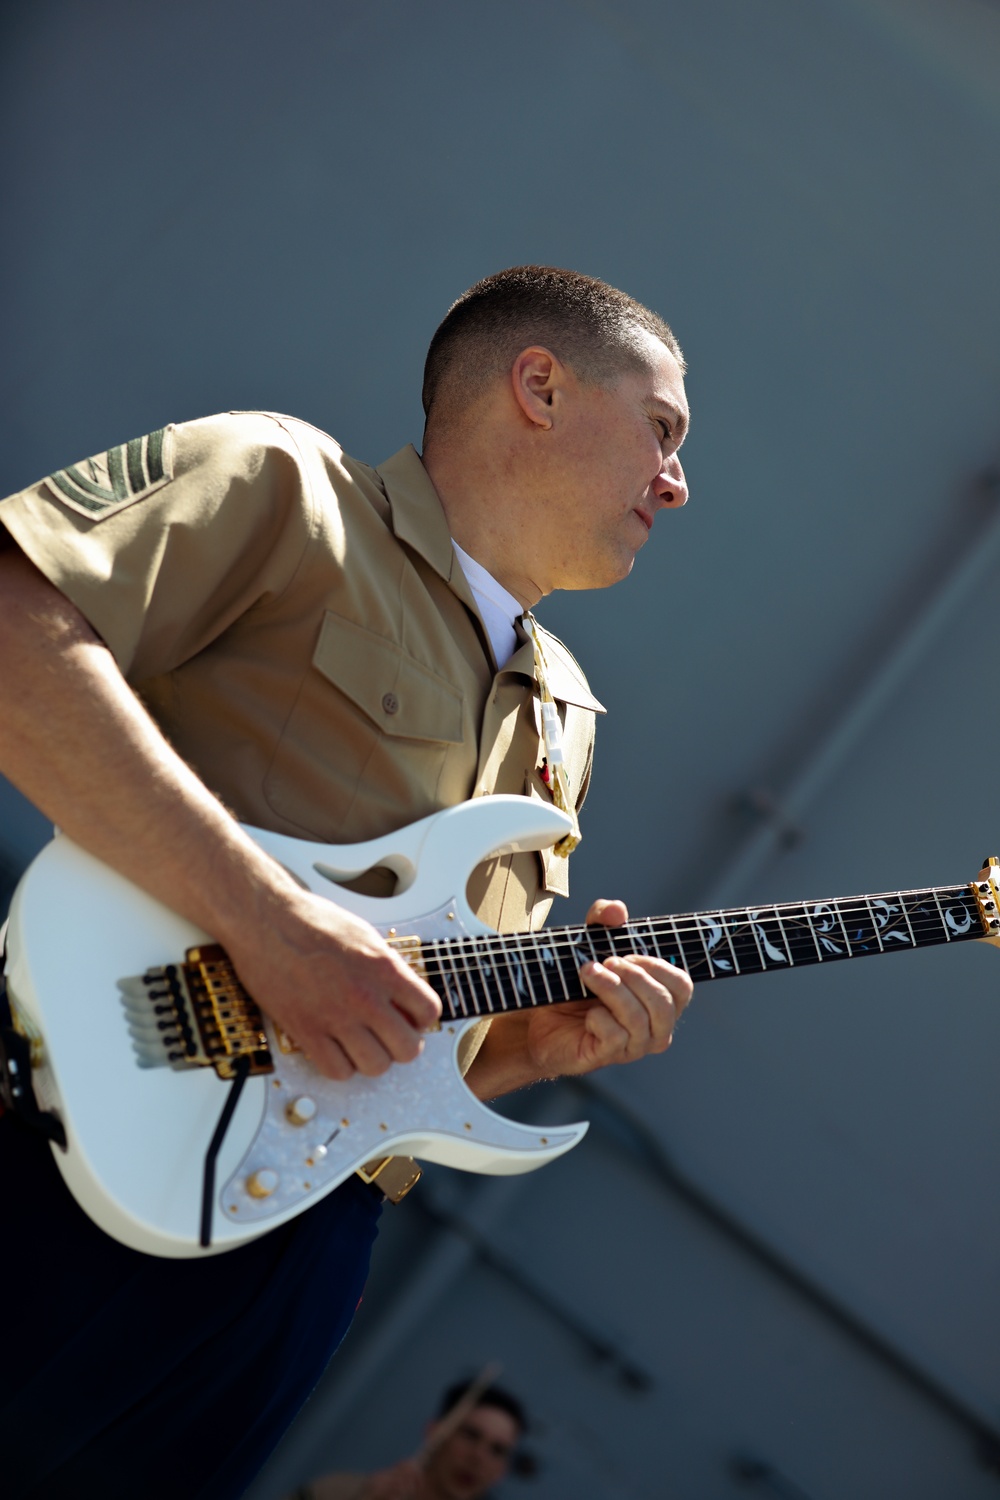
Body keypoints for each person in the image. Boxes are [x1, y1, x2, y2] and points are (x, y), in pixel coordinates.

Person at [0, 265, 693, 1498]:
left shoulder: (567, 720)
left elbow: (393, 1028)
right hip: (70, 1141)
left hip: (307, 1238)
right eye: (662, 428)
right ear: (539, 385)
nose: (675, 480)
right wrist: (268, 926)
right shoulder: (281, 484)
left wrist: (526, 1051)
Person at [290, 1378, 526, 1500]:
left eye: (497, 1450)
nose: (479, 1458)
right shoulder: (339, 1491)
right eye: (470, 1435)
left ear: (502, 1470)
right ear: (435, 1432)